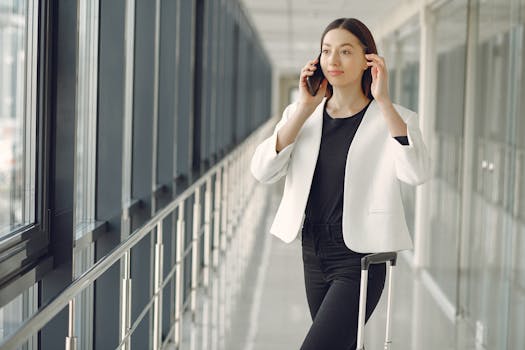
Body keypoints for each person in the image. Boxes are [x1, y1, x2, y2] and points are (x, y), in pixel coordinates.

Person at [250, 17, 431, 350]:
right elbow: (262, 170)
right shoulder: (304, 113)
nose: (333, 61)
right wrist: (304, 108)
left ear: (368, 60)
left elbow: (416, 173)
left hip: (361, 256)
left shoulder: (395, 117)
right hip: (313, 249)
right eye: (326, 51)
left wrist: (385, 102)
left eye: (345, 51)